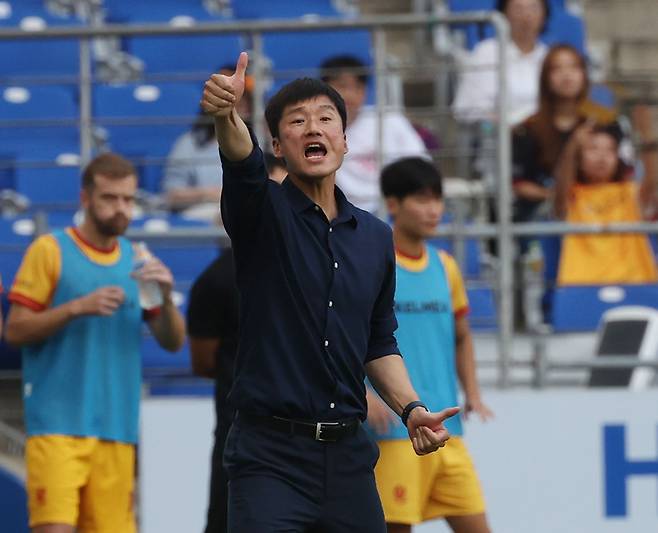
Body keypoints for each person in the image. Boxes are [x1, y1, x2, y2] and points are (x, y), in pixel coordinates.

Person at [200, 52, 460, 532]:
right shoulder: (260, 212)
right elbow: (240, 159)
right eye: (297, 122)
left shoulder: (377, 237)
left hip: (348, 459)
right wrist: (225, 116)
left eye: (326, 119)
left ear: (344, 139)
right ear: (278, 143)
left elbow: (379, 343)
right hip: (269, 457)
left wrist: (412, 409)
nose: (313, 128)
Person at [4, 153, 186, 533]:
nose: (121, 209)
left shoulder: (139, 259)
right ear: (86, 199)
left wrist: (167, 297)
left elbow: (172, 341)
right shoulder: (49, 250)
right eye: (110, 198)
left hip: (116, 431)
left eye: (128, 199)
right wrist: (75, 308)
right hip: (57, 427)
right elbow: (15, 330)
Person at [369, 157, 493, 533]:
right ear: (393, 204)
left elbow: (462, 334)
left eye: (437, 200)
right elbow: (350, 339)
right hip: (394, 431)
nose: (433, 209)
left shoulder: (445, 265)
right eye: (422, 199)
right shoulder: (374, 264)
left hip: (448, 431)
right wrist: (366, 396)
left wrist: (472, 391)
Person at [187, 157, 286, 533]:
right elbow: (204, 361)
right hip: (240, 439)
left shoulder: (329, 267)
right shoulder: (216, 280)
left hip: (314, 442)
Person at [512, 44, 617, 224]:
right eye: (557, 69)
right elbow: (519, 184)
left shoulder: (604, 125)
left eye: (574, 67)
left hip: (599, 212)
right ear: (546, 78)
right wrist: (558, 195)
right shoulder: (526, 130)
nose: (566, 75)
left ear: (584, 75)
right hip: (543, 215)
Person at [554, 113, 658, 285]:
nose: (602, 157)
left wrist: (647, 136)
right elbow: (561, 184)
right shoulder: (572, 196)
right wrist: (572, 146)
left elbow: (653, 180)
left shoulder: (630, 191)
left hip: (634, 284)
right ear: (579, 158)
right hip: (581, 287)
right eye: (593, 149)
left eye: (610, 150)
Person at [320, 55, 428, 213]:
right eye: (342, 86)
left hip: (392, 210)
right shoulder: (314, 129)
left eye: (357, 87)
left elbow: (420, 165)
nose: (349, 95)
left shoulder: (390, 120)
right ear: (324, 89)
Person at [162, 67, 255, 220]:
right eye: (226, 99)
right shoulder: (189, 144)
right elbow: (172, 195)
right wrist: (211, 194)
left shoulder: (263, 142)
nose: (232, 109)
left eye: (240, 103)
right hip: (203, 217)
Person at [452, 0, 550, 126]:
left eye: (533, 8)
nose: (527, 15)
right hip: (499, 138)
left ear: (544, 15)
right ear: (504, 14)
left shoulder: (549, 56)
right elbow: (467, 109)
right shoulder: (486, 53)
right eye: (518, 9)